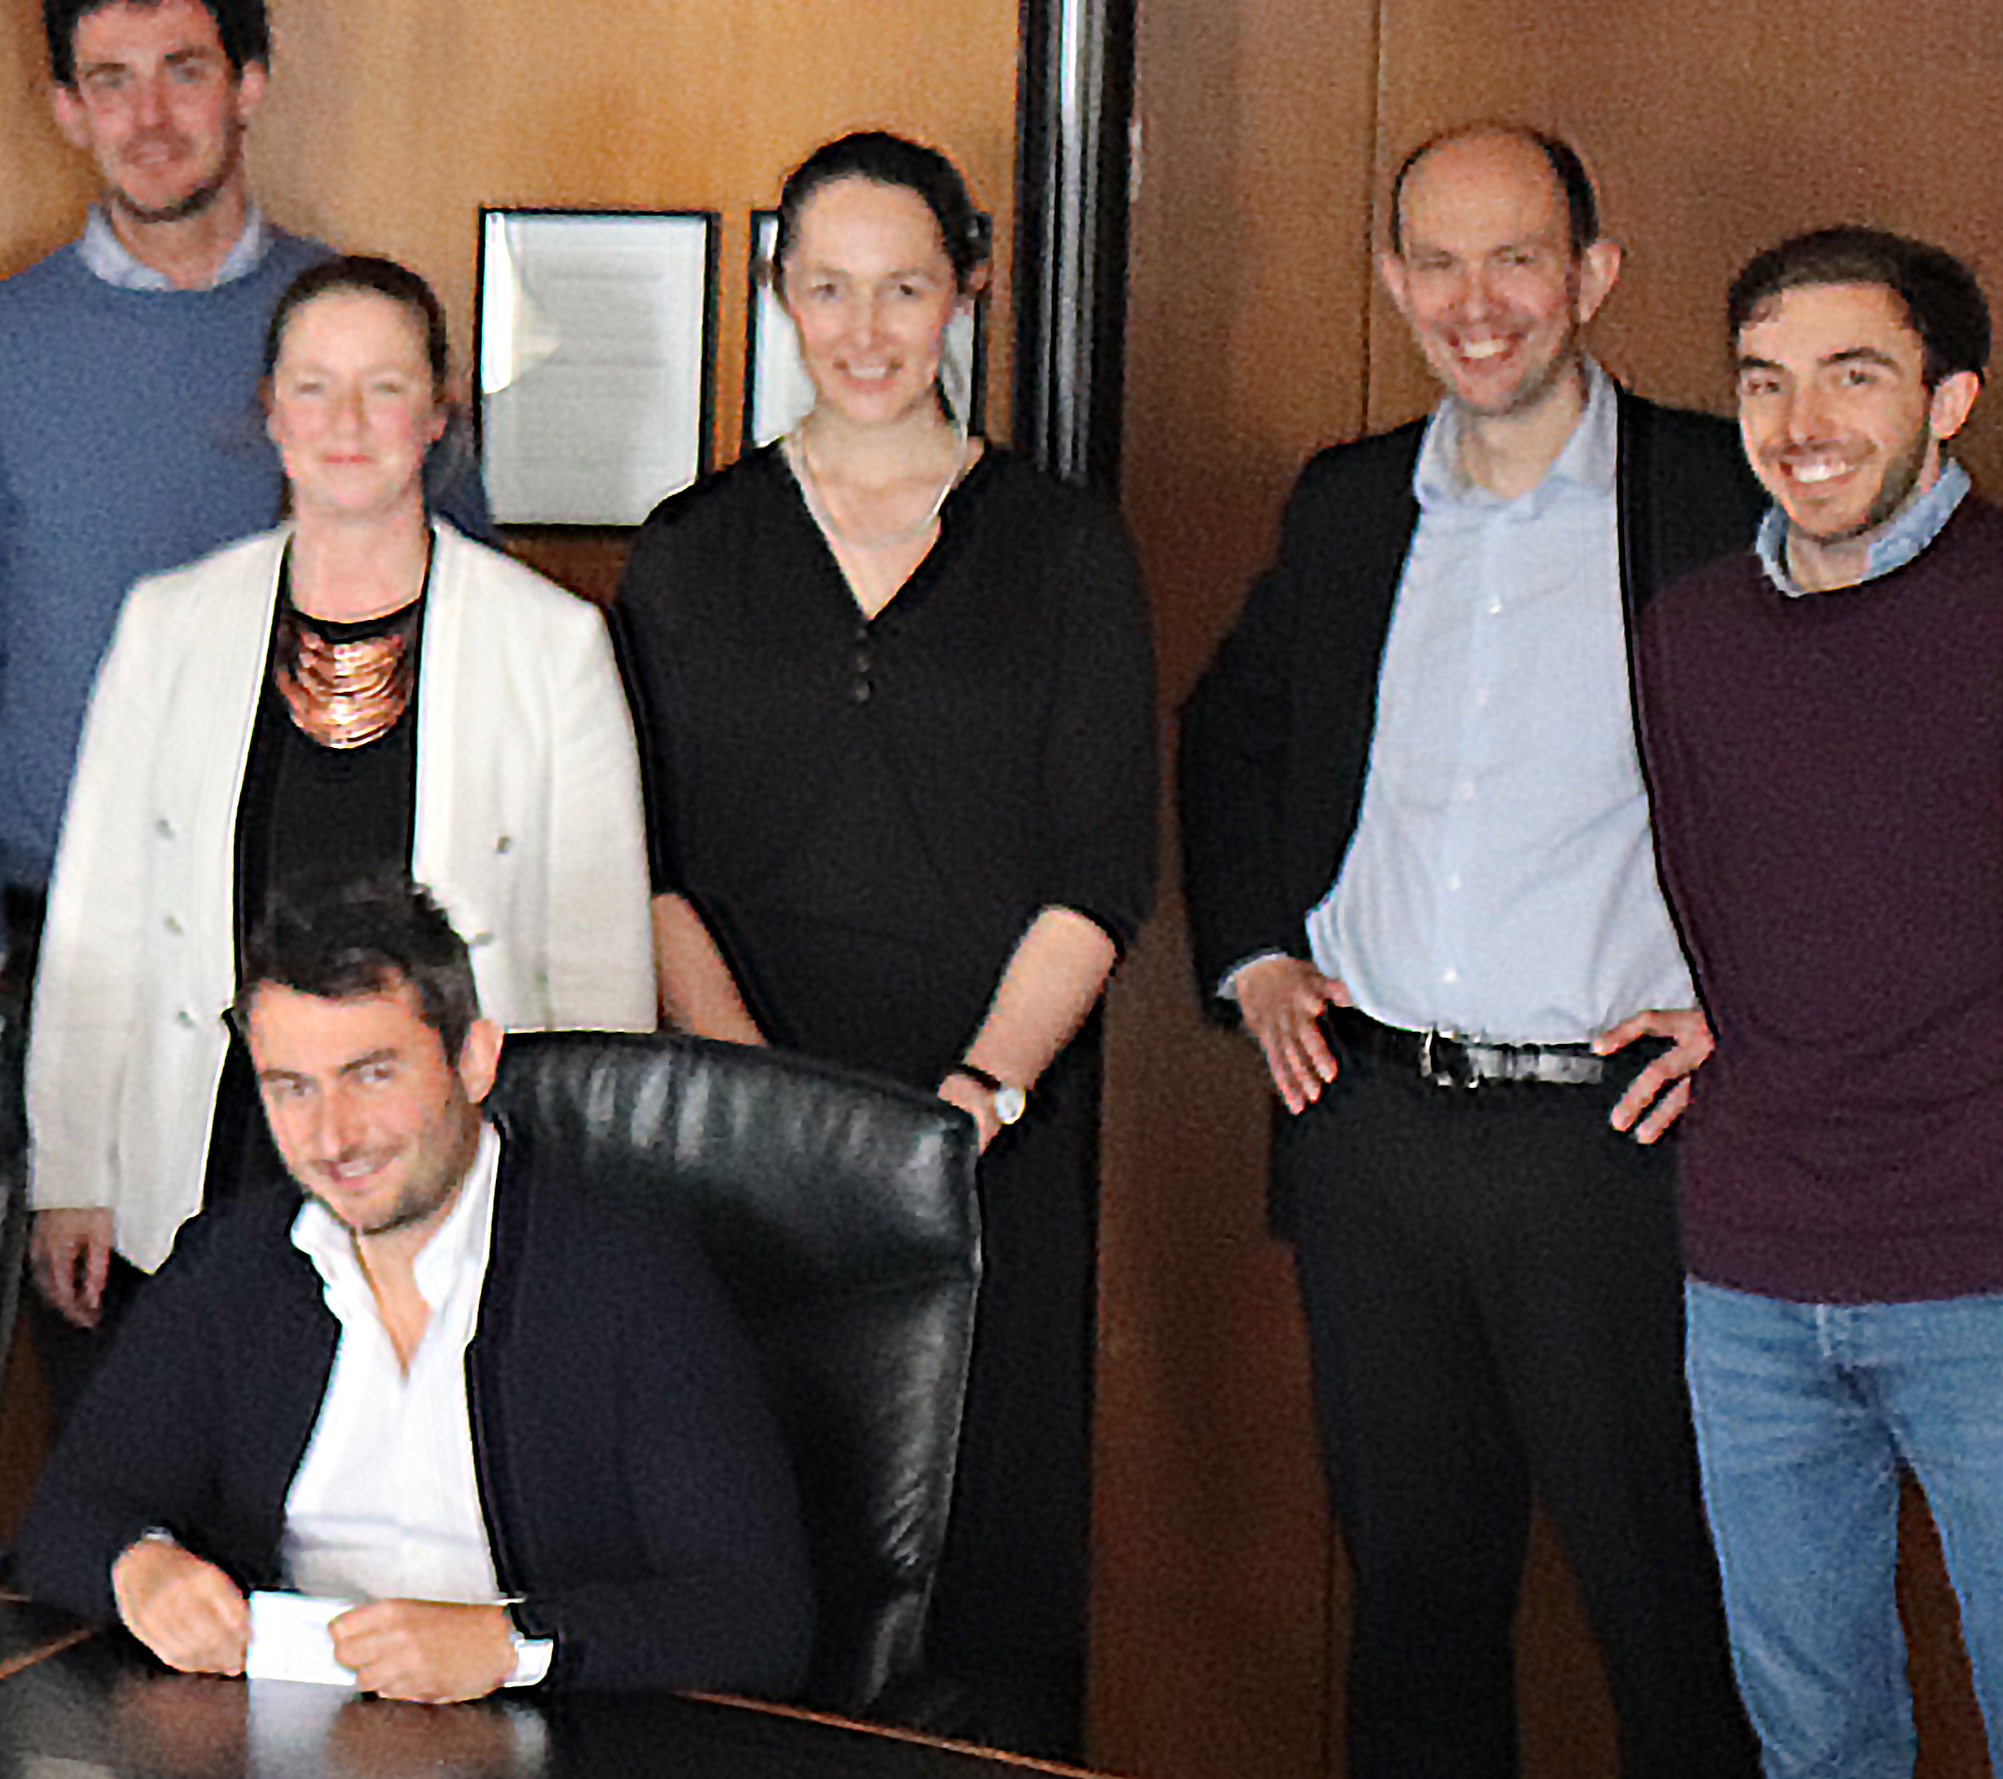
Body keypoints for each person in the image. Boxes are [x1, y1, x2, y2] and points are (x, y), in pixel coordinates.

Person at [1172, 124, 1758, 1777]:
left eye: (1514, 258)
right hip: (1368, 1139)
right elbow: (1227, 731)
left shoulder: (1711, 494)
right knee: (1413, 1625)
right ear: (1390, 281)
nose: (1473, 302)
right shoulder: (1349, 502)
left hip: (1610, 1149)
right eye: (1434, 262)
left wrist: (1757, 1004)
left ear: (1591, 274)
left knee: (1670, 1621)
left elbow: (1855, 754)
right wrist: (1253, 962)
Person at [610, 130, 1146, 1753]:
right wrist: (755, 1106)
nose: (863, 329)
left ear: (963, 289)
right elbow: (645, 863)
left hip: (982, 1140)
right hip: (735, 1144)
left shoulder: (1062, 548)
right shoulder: (687, 548)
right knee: (743, 1571)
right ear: (778, 296)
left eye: (902, 287)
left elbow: (1098, 873)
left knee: (977, 1594)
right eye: (828, 289)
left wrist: (974, 1096)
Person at [22, 257, 650, 1399]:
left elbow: (601, 971)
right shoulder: (170, 625)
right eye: (314, 388)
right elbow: (97, 925)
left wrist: (580, 1214)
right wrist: (71, 1170)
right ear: (270, 410)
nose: (346, 423)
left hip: (447, 1172)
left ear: (438, 414)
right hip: (211, 1157)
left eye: (384, 387)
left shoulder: (551, 645)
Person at [9, 871, 806, 1703]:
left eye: (372, 1075)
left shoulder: (624, 1276)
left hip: (551, 1728)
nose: (333, 1137)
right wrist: (138, 1568)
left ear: (474, 1060)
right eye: (292, 1088)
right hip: (284, 1727)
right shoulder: (236, 1264)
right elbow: (69, 1512)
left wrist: (511, 1644)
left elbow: (755, 1614)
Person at [0, 0, 482, 998]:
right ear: (67, 109)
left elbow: (464, 622)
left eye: (184, 72)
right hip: (63, 910)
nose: (151, 118)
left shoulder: (359, 333)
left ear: (247, 85)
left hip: (324, 904)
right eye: (111, 82)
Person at [1634, 226, 2003, 1779]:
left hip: (1983, 1268)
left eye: (1851, 376)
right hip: (1751, 1277)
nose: (1799, 424)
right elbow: (1708, 893)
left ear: (1947, 399)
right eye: (1762, 381)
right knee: (1815, 1746)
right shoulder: (1689, 632)